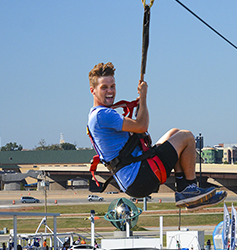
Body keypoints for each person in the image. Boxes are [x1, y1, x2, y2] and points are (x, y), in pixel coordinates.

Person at [87, 62, 225, 209]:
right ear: (93, 90)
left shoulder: (96, 115)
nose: (110, 91)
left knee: (174, 132)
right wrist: (144, 97)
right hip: (139, 177)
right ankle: (190, 189)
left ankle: (184, 190)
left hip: (133, 178)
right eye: (104, 87)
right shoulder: (103, 115)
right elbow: (142, 126)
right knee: (187, 137)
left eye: (112, 86)